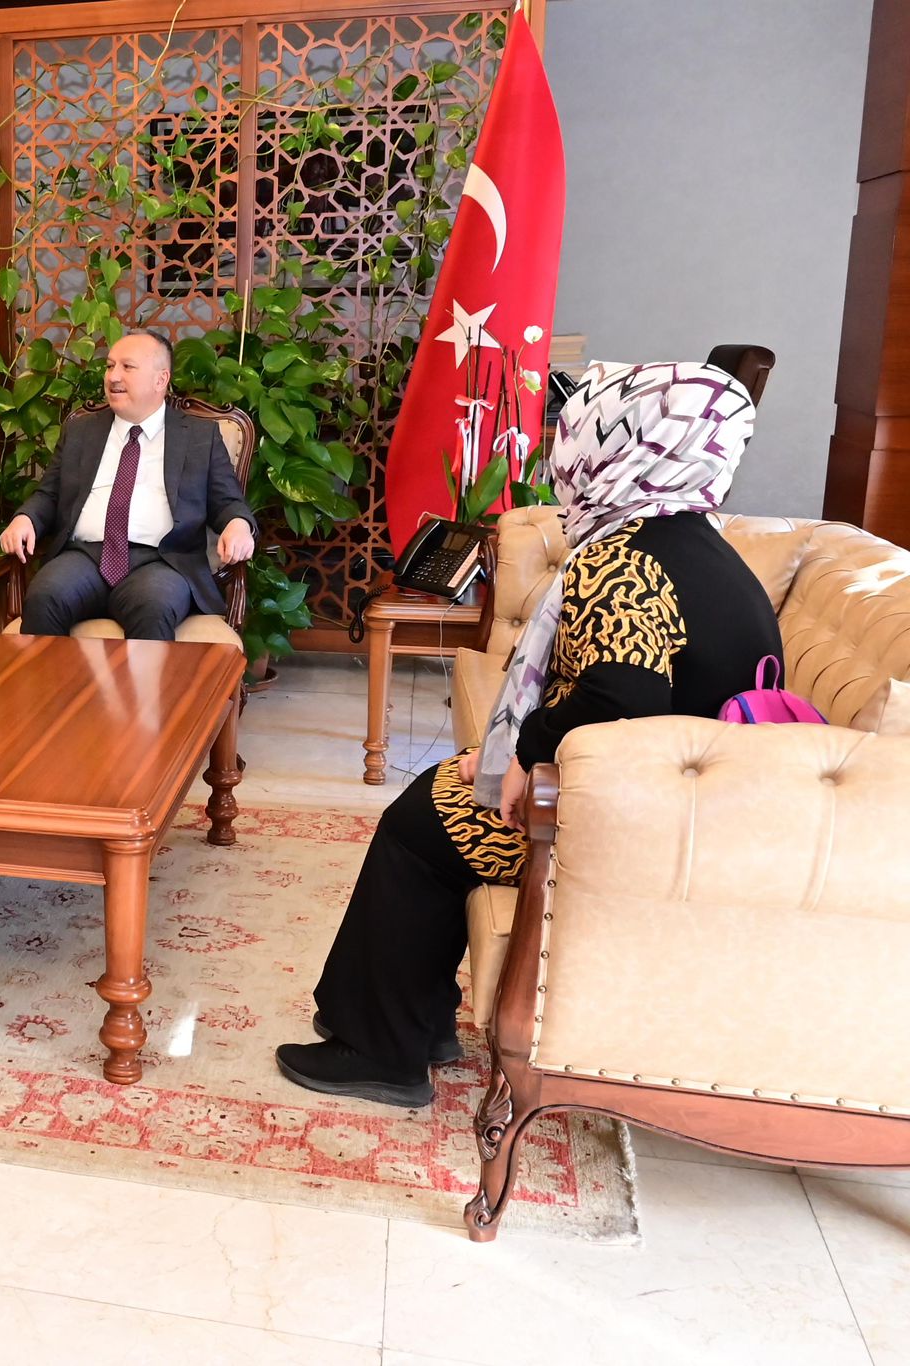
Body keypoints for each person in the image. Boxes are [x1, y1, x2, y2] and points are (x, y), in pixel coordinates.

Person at [277, 361, 782, 1107]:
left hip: (635, 824)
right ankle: (418, 1021)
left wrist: (526, 750)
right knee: (442, 791)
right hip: (698, 804)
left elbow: (621, 700)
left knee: (417, 826)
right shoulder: (700, 541)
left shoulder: (623, 559)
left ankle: (381, 1051)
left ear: (620, 446)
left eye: (581, 433)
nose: (564, 450)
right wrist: (513, 751)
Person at [0, 330, 257, 639]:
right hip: (85, 557)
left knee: (153, 606)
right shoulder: (81, 430)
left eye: (127, 367)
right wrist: (25, 518)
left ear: (161, 379)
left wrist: (239, 524)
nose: (113, 376)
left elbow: (227, 501)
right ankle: (55, 675)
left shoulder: (199, 437)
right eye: (110, 366)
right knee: (45, 597)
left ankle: (143, 676)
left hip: (162, 561)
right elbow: (49, 493)